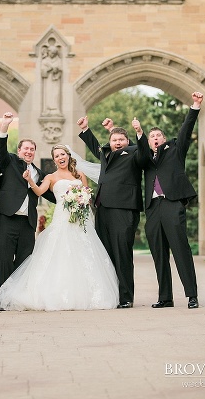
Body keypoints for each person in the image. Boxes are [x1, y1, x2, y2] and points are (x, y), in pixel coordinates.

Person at [0, 144, 119, 311]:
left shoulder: (79, 174)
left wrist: (82, 201)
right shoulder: (50, 177)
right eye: (57, 156)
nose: (60, 158)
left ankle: (87, 294)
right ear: (54, 160)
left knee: (84, 252)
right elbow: (39, 192)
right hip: (62, 218)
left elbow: (88, 194)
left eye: (63, 154)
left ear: (68, 156)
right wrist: (30, 180)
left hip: (80, 219)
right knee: (59, 252)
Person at [134, 92, 203, 310]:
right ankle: (165, 297)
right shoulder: (145, 158)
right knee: (158, 253)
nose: (155, 138)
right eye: (151, 136)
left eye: (158, 135)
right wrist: (139, 133)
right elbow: (140, 152)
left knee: (181, 250)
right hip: (153, 208)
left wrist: (195, 106)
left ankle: (191, 295)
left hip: (172, 204)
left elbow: (186, 130)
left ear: (164, 139)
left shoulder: (175, 150)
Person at [78, 116, 144, 308]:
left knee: (122, 253)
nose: (117, 143)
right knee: (105, 253)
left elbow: (142, 152)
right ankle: (111, 295)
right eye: (114, 140)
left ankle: (126, 297)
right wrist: (86, 129)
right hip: (103, 208)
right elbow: (96, 147)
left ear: (128, 141)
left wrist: (137, 133)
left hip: (123, 209)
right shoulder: (106, 154)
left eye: (121, 140)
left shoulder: (134, 153)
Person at [0, 112, 55, 289]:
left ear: (34, 153)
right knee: (4, 260)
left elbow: (52, 195)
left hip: (28, 223)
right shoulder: (10, 161)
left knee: (25, 260)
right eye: (25, 149)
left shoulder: (40, 174)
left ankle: (16, 295)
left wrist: (72, 194)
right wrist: (5, 125)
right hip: (7, 218)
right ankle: (3, 298)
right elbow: (0, 149)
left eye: (32, 149)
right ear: (19, 151)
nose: (28, 152)